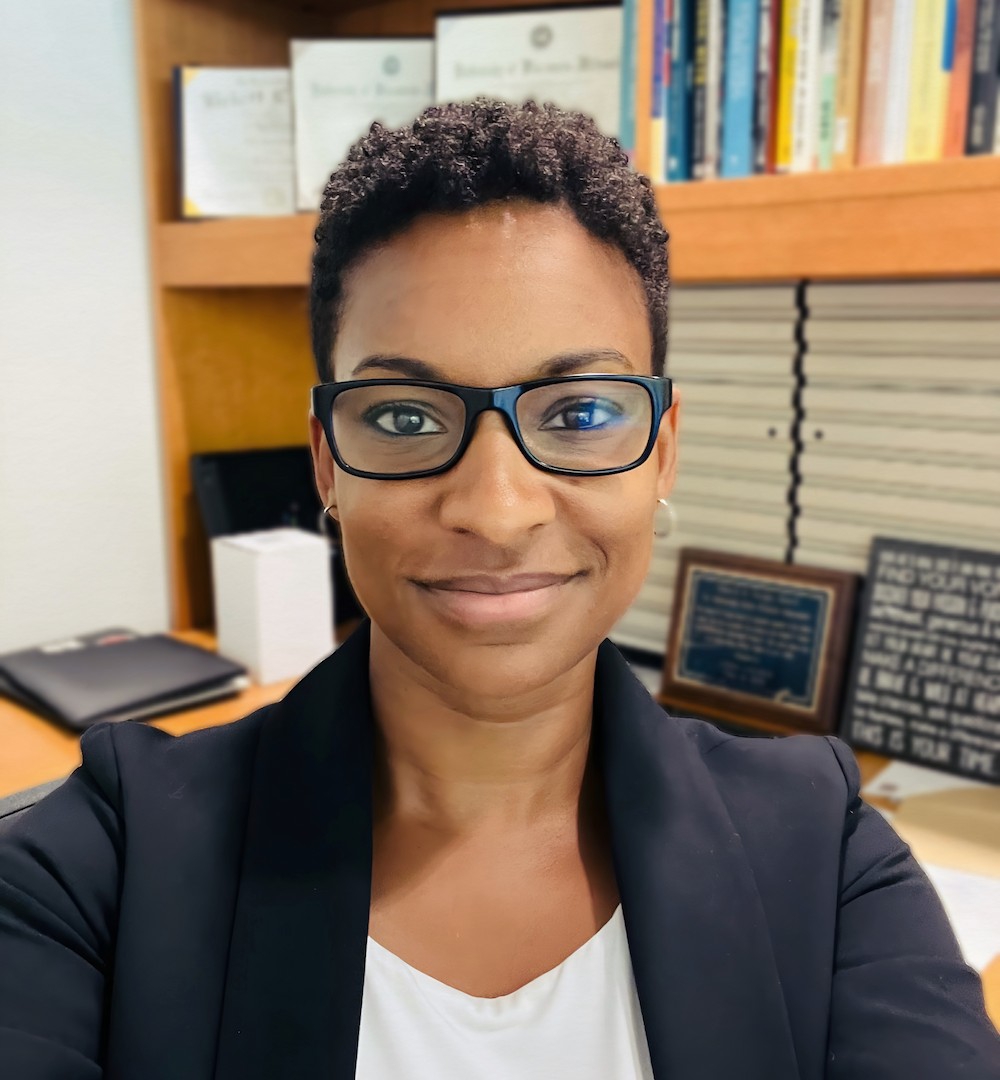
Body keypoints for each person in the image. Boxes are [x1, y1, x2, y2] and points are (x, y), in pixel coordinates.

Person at [1, 99, 998, 1080]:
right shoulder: (102, 865)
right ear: (325, 466)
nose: (497, 508)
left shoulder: (823, 853)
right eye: (401, 419)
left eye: (581, 411)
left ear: (663, 453)